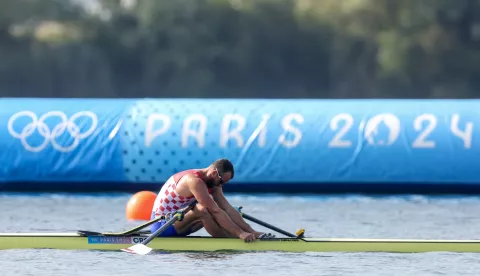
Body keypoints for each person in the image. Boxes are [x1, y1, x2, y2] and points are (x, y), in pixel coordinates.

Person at [150, 158, 266, 242]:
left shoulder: (213, 182)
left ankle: (243, 236)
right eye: (221, 182)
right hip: (161, 226)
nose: (220, 185)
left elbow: (227, 208)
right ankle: (231, 240)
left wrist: (251, 231)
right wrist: (240, 233)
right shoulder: (194, 181)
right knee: (204, 209)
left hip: (180, 222)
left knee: (216, 209)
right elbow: (215, 210)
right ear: (214, 173)